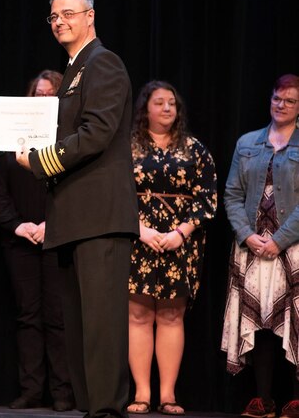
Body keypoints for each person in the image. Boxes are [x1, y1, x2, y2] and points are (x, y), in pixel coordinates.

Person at [15, 0, 139, 418]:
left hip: (100, 216)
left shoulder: (103, 63)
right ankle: (92, 409)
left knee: (101, 324)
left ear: (90, 16)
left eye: (68, 13)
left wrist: (38, 160)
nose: (59, 21)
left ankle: (105, 411)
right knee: (80, 325)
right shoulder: (74, 69)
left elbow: (96, 134)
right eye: (52, 16)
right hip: (73, 214)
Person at [127, 81, 217, 415]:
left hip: (181, 242)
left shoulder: (195, 149)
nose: (167, 109)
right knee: (137, 314)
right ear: (145, 109)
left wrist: (181, 232)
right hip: (137, 238)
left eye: (172, 104)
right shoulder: (127, 147)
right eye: (160, 103)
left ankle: (167, 395)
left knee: (170, 314)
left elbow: (208, 198)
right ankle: (141, 393)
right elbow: (113, 193)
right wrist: (140, 230)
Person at [0, 70, 74, 412]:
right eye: (37, 94)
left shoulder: (68, 139)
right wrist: (17, 226)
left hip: (57, 238)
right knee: (28, 316)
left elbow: (73, 194)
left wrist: (49, 224)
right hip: (20, 241)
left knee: (57, 317)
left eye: (49, 94)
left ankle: (63, 393)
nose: (43, 99)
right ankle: (30, 391)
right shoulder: (11, 139)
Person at [222, 74, 299, 418]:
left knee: (294, 318)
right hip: (252, 247)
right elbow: (232, 195)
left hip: (292, 246)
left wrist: (280, 239)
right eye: (277, 99)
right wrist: (246, 235)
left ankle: (296, 399)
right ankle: (263, 398)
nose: (281, 105)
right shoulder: (247, 143)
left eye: (290, 101)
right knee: (261, 320)